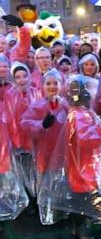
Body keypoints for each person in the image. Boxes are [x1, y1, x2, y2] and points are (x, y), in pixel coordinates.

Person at [39, 75, 101, 239]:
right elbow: (88, 142)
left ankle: (76, 226)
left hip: (79, 165)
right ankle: (81, 228)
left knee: (80, 196)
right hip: (83, 166)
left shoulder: (79, 113)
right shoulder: (80, 115)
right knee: (84, 198)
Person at [21, 69, 68, 223]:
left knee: (60, 182)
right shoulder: (37, 105)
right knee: (45, 185)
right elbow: (25, 123)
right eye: (48, 83)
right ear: (43, 86)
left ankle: (61, 212)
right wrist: (41, 124)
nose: (52, 86)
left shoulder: (65, 105)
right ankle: (48, 215)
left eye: (56, 83)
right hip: (44, 153)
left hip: (62, 153)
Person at [4, 62, 41, 214]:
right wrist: (16, 141)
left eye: (24, 76)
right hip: (18, 141)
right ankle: (28, 202)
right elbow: (10, 119)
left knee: (36, 172)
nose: (22, 80)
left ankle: (37, 200)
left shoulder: (36, 92)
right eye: (17, 77)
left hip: (35, 140)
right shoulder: (10, 94)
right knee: (22, 173)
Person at [0, 55, 28, 232]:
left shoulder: (10, 90)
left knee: (9, 177)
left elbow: (11, 119)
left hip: (6, 139)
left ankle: (5, 210)